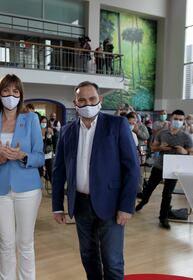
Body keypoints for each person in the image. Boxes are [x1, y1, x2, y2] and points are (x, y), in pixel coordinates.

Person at [52, 81, 139, 280]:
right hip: (80, 204)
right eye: (82, 100)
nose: (87, 104)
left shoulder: (117, 125)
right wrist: (57, 206)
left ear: (100, 100)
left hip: (111, 204)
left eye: (92, 99)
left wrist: (126, 206)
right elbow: (59, 171)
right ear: (75, 103)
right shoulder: (67, 131)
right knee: (88, 256)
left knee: (112, 260)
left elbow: (132, 169)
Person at [0, 74, 44, 280]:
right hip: (0, 190)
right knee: (5, 242)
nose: (11, 95)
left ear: (20, 95)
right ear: (0, 94)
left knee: (25, 242)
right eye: (6, 91)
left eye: (15, 91)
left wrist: (22, 156)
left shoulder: (31, 119)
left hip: (28, 189)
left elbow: (40, 157)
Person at [136, 110, 193, 230]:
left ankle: (163, 218)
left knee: (167, 194)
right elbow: (153, 147)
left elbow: (192, 153)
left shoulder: (186, 137)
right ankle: (143, 202)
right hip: (159, 166)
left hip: (174, 169)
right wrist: (160, 148)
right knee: (148, 189)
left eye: (180, 119)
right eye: (176, 119)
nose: (178, 121)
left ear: (183, 121)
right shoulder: (162, 133)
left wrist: (184, 151)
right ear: (171, 119)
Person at [39, 116, 54, 183]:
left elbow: (51, 142)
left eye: (45, 122)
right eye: (42, 122)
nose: (44, 123)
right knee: (39, 172)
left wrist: (49, 135)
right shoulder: (37, 130)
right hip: (39, 155)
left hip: (48, 154)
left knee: (51, 172)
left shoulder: (49, 130)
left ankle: (54, 189)